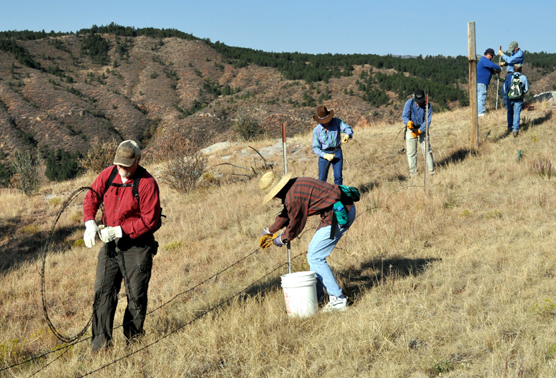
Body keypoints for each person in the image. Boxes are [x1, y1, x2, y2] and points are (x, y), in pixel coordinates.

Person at [83, 140, 161, 351]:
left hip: (137, 246)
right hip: (110, 246)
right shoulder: (108, 175)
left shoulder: (146, 183)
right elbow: (91, 197)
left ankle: (133, 344)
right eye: (119, 165)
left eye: (127, 165)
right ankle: (100, 348)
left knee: (136, 296)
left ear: (138, 159)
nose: (122, 169)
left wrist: (120, 230)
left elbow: (150, 220)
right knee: (103, 293)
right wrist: (90, 223)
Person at [258, 172, 356, 312]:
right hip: (341, 209)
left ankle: (338, 299)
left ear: (276, 191)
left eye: (272, 194)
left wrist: (280, 240)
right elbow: (287, 213)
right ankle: (317, 296)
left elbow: (296, 224)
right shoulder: (294, 184)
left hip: (339, 214)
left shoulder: (292, 197)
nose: (273, 197)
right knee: (314, 255)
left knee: (315, 256)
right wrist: (270, 230)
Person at [312, 105, 353, 185]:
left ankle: (338, 195)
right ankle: (322, 196)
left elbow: (348, 128)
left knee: (338, 177)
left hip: (337, 151)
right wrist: (325, 155)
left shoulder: (336, 122)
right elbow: (315, 148)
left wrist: (347, 135)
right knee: (322, 179)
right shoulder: (317, 131)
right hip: (324, 154)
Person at [402, 89, 434, 177]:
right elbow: (404, 116)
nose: (419, 103)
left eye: (421, 101)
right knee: (411, 152)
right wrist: (408, 122)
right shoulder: (409, 103)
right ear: (414, 98)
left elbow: (428, 120)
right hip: (411, 129)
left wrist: (420, 131)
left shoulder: (428, 106)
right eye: (417, 101)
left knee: (427, 150)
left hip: (422, 129)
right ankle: (413, 173)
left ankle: (431, 172)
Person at [503, 64, 529, 137]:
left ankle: (509, 126)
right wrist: (521, 93)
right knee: (517, 112)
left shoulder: (509, 76)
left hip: (509, 97)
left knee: (510, 111)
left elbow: (505, 88)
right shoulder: (523, 77)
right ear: (521, 70)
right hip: (519, 98)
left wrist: (508, 95)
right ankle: (515, 129)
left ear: (513, 70)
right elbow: (526, 89)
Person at [499, 41, 524, 109]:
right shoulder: (514, 53)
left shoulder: (519, 54)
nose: (512, 51)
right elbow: (511, 62)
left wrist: (502, 55)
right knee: (505, 91)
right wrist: (505, 64)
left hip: (514, 74)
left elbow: (510, 60)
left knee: (509, 91)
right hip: (509, 74)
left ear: (516, 47)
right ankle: (508, 106)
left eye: (513, 49)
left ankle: (510, 107)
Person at [477, 48, 501, 116]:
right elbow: (492, 65)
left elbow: (489, 69)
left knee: (481, 97)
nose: (492, 57)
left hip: (482, 82)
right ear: (488, 54)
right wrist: (499, 68)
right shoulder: (484, 60)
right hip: (481, 82)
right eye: (491, 55)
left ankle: (479, 111)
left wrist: (493, 71)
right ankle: (480, 113)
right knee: (481, 97)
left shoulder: (484, 61)